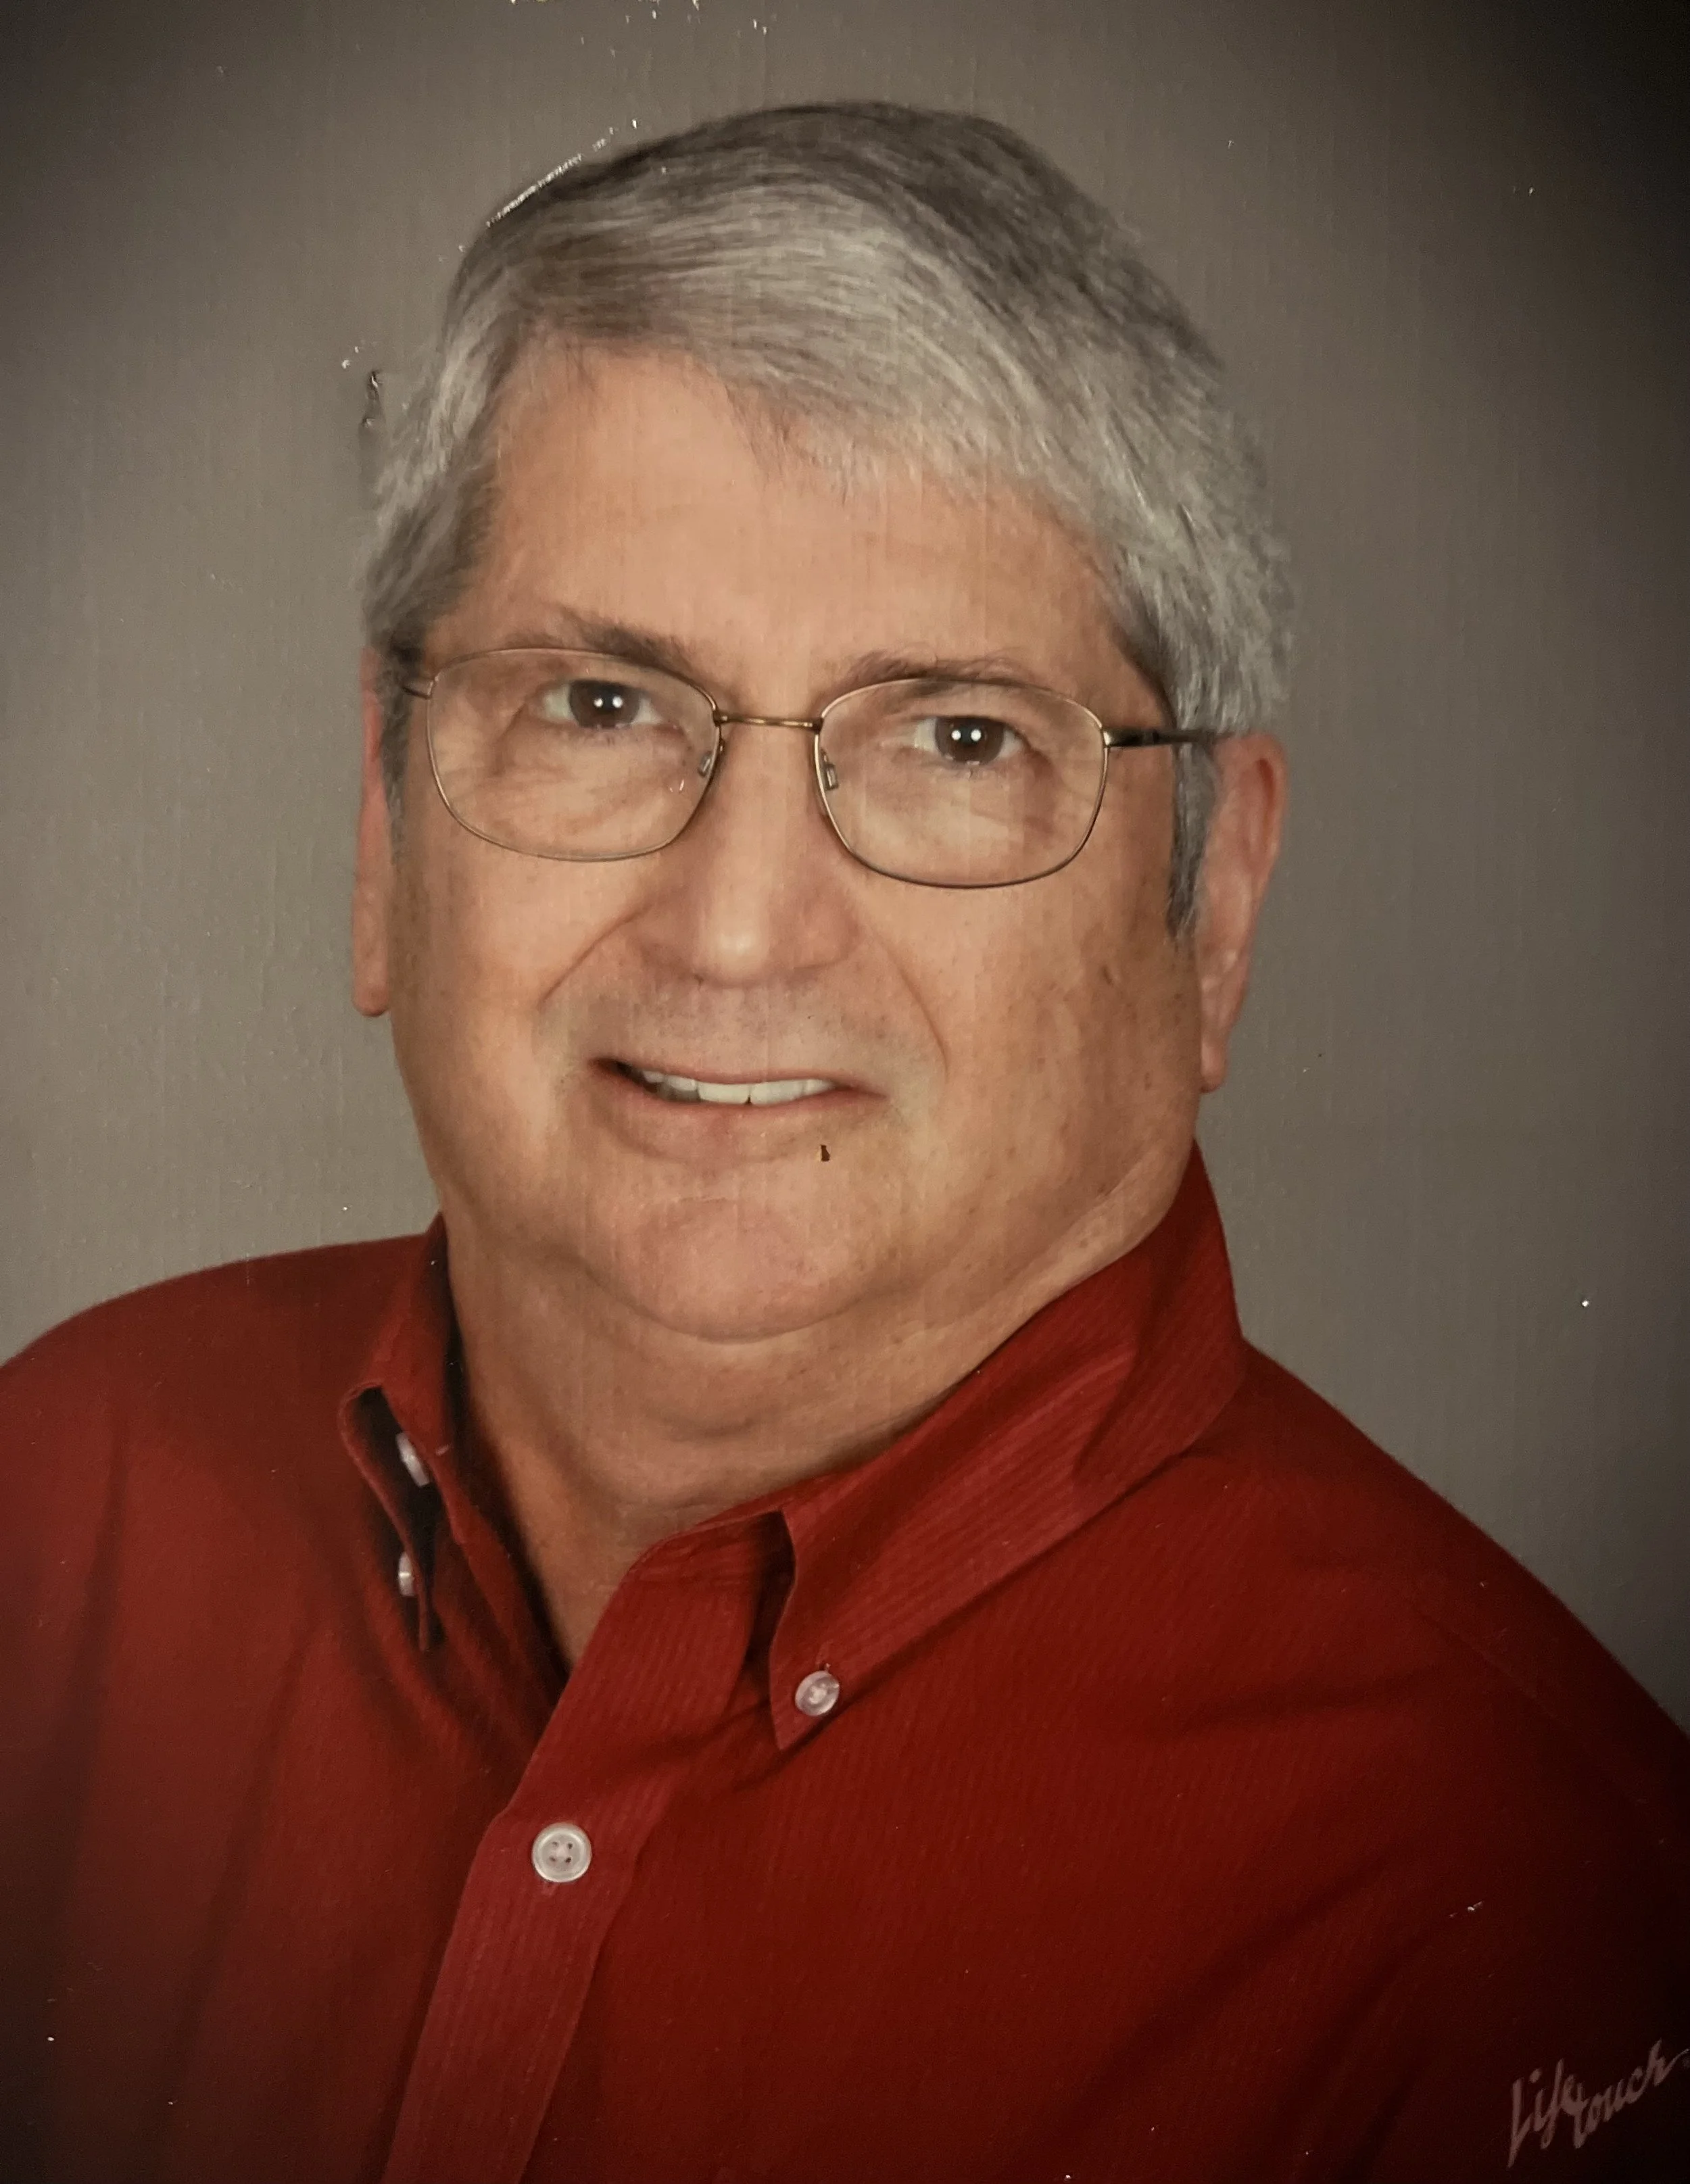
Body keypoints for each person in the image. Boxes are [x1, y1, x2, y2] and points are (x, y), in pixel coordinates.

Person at [2, 100, 1686, 2184]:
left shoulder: (1517, 1918)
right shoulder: (55, 1509)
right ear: (383, 820)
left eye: (955, 739)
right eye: (601, 704)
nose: (734, 930)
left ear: (1213, 906)